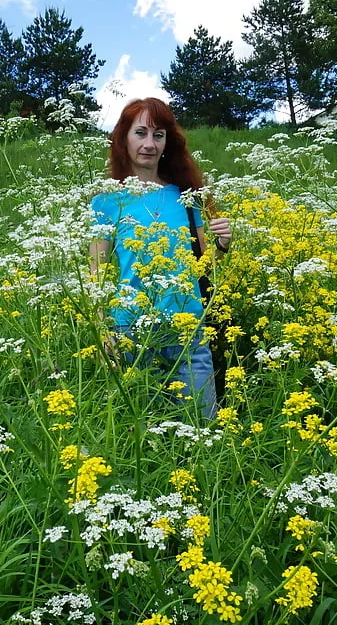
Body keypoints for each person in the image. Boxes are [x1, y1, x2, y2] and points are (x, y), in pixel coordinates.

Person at [89, 98, 231, 419]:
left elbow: (204, 266)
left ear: (168, 142)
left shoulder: (186, 197)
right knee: (139, 433)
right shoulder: (106, 202)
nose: (150, 144)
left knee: (202, 428)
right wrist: (102, 331)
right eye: (140, 133)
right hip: (130, 331)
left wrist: (222, 244)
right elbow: (95, 275)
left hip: (187, 330)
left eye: (159, 135)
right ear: (124, 139)